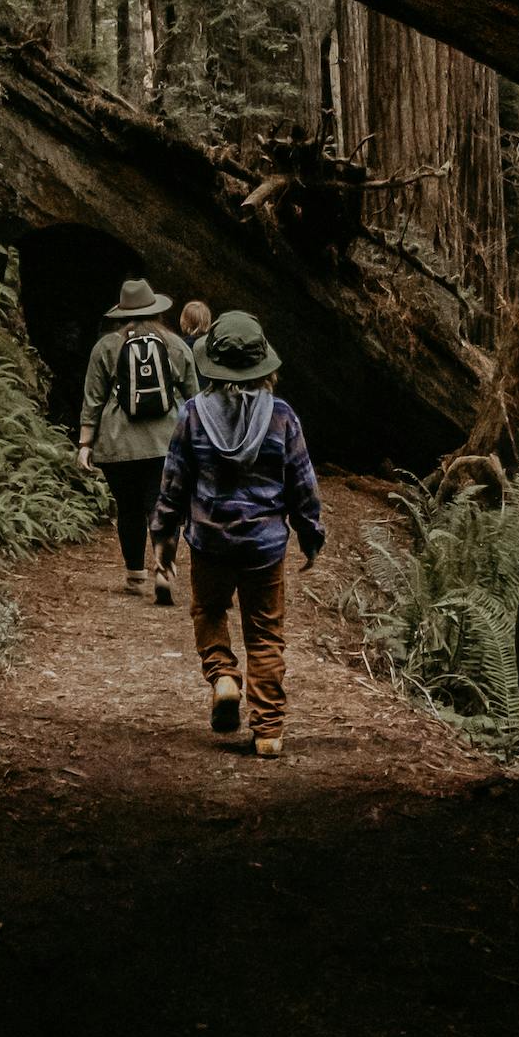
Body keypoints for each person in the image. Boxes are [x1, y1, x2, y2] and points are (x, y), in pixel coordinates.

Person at [147, 310, 322, 759]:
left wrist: (163, 533)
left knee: (208, 610)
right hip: (264, 546)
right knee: (265, 634)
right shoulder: (282, 416)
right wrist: (310, 532)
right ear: (265, 365)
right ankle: (268, 731)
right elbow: (302, 481)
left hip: (209, 541)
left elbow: (174, 480)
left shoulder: (193, 414)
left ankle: (224, 676)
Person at [74, 275, 201, 602]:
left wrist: (86, 443)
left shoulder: (106, 346)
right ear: (156, 310)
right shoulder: (174, 344)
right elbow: (193, 397)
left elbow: (93, 398)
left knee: (128, 508)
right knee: (163, 506)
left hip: (118, 443)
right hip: (166, 442)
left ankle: (134, 576)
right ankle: (163, 569)